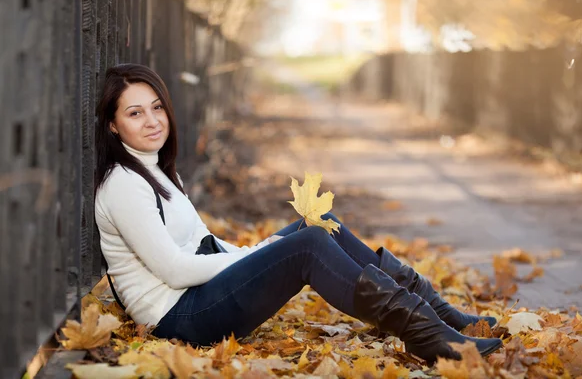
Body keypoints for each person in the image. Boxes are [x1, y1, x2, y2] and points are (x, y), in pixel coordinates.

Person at [94, 63, 502, 363]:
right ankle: (426, 334)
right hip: (181, 317)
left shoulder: (156, 169)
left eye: (156, 108)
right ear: (113, 126)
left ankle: (434, 312)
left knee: (320, 225)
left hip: (200, 297)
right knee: (307, 245)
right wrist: (254, 256)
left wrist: (257, 249)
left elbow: (204, 242)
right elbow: (175, 271)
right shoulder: (124, 185)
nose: (152, 121)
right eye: (135, 113)